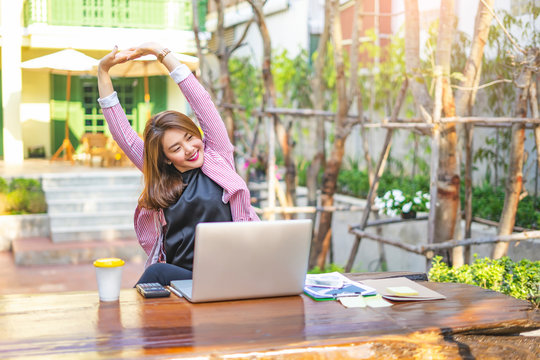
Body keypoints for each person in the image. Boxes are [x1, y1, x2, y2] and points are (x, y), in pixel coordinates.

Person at [97, 42, 259, 286]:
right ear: (164, 158)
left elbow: (201, 101)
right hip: (183, 279)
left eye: (190, 137)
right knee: (156, 274)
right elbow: (122, 132)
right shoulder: (162, 175)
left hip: (230, 272)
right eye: (176, 148)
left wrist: (161, 53)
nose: (190, 149)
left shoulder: (218, 156)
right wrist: (103, 71)